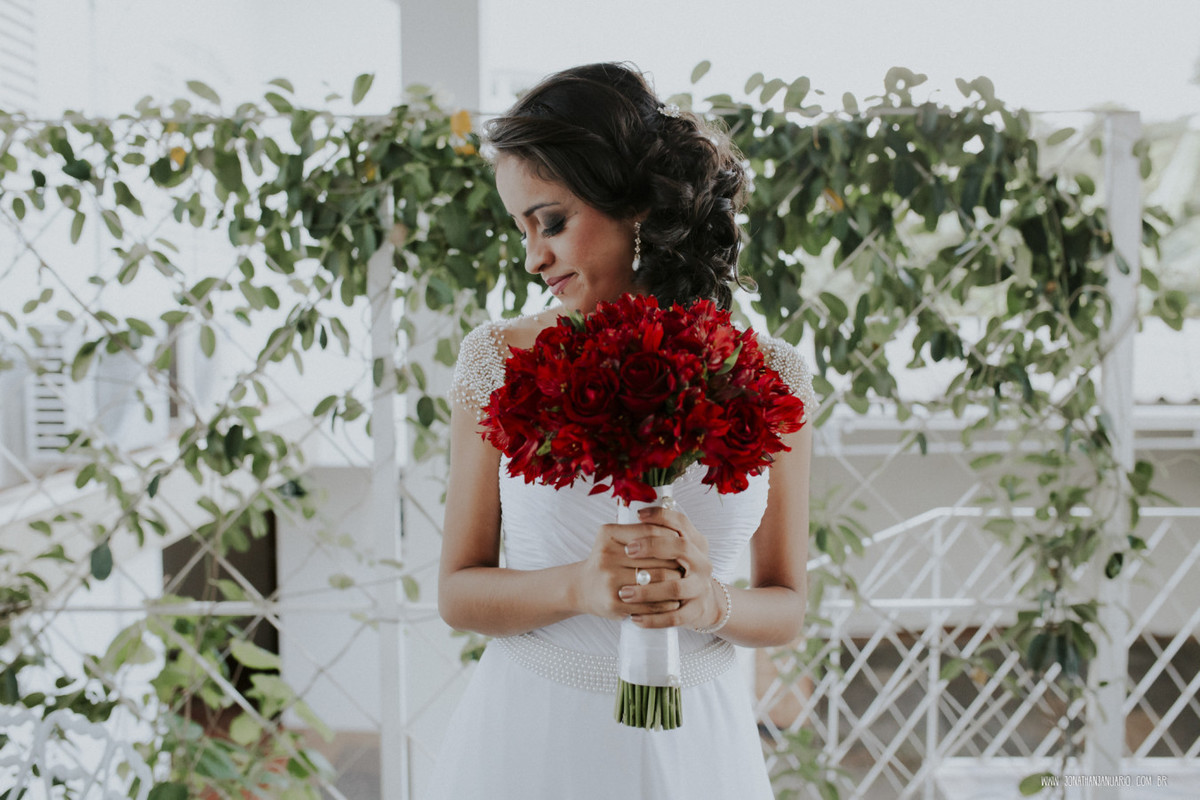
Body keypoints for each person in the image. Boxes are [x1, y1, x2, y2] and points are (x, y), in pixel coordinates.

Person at [430, 62, 816, 799]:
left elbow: (788, 604)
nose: (532, 256)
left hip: (699, 739)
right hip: (536, 735)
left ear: (635, 205)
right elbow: (459, 592)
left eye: (551, 220)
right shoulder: (498, 360)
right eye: (521, 228)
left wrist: (712, 603)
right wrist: (579, 586)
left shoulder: (771, 373)